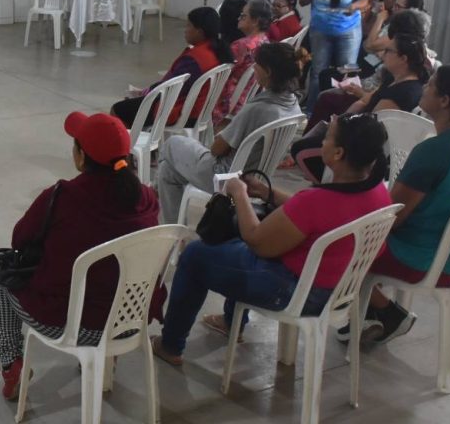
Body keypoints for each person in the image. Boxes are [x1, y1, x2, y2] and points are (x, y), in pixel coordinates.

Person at [152, 113, 392, 363]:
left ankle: (170, 345)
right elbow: (313, 216)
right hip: (338, 290)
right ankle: (231, 321)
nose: (322, 143)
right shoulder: (378, 195)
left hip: (293, 291)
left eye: (327, 138)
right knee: (233, 242)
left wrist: (239, 193)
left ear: (338, 153)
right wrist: (268, 193)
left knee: (194, 254)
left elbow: (258, 241)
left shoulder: (316, 201)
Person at [0, 112, 161, 400]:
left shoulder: (62, 197)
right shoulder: (147, 198)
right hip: (129, 321)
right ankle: (109, 359)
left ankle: (12, 364)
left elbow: (19, 240)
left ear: (81, 156)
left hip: (69, 324)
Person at [342, 65, 450, 344]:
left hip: (428, 258)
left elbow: (391, 218)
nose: (423, 88)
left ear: (445, 101)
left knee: (339, 240)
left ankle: (384, 310)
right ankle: (371, 308)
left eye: (430, 86)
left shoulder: (435, 150)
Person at [155, 42, 304, 222]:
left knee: (173, 143)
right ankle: (173, 231)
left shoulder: (259, 109)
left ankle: (166, 220)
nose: (253, 68)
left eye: (256, 64)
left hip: (226, 176)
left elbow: (216, 150)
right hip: (258, 175)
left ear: (268, 71)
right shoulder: (292, 104)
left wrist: (222, 135)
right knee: (168, 171)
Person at [293, 33, 429, 183]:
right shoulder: (393, 79)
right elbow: (364, 102)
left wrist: (340, 130)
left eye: (388, 51)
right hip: (356, 129)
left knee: (301, 150)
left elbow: (374, 125)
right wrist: (340, 121)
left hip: (360, 146)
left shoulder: (404, 92)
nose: (383, 54)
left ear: (403, 59)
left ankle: (333, 188)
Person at [110, 7, 232, 127]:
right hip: (203, 110)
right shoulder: (218, 51)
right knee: (133, 105)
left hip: (181, 111)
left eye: (189, 26)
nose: (185, 30)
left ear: (199, 31)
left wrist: (146, 93)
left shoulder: (195, 59)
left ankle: (125, 143)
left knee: (118, 109)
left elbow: (170, 87)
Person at [300, 0, 370, 112]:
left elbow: (364, 0)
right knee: (318, 72)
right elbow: (302, 1)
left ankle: (344, 111)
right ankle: (312, 111)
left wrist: (354, 6)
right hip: (321, 30)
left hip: (348, 30)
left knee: (347, 72)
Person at [214, 0, 272, 123]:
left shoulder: (242, 46)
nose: (238, 18)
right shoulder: (265, 41)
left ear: (255, 21)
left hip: (228, 100)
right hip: (248, 97)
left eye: (243, 16)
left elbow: (219, 73)